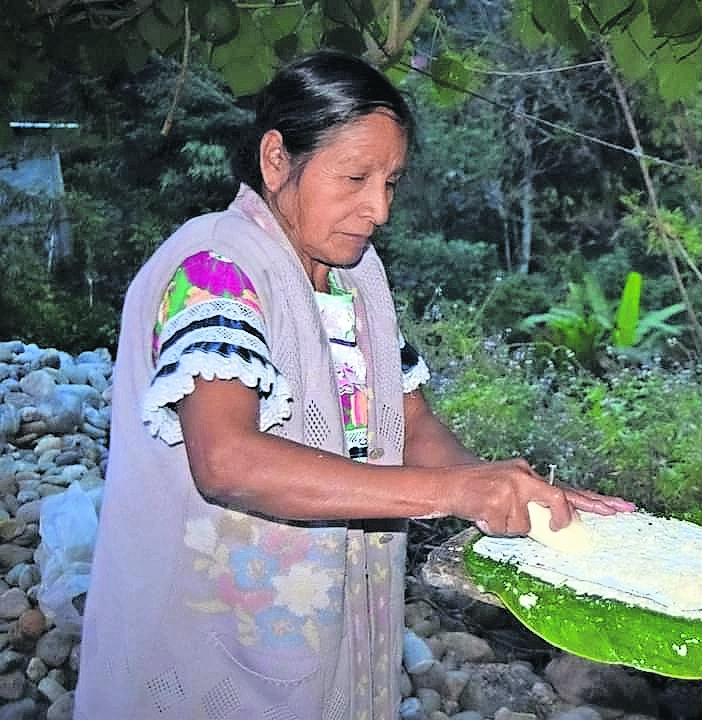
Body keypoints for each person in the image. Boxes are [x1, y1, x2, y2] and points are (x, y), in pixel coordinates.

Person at [74, 49, 633, 718]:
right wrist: (450, 491)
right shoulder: (215, 268)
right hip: (209, 653)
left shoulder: (356, 279)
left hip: (330, 631)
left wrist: (507, 494)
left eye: (391, 182)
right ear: (277, 158)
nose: (378, 209)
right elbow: (225, 459)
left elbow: (410, 421)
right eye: (356, 177)